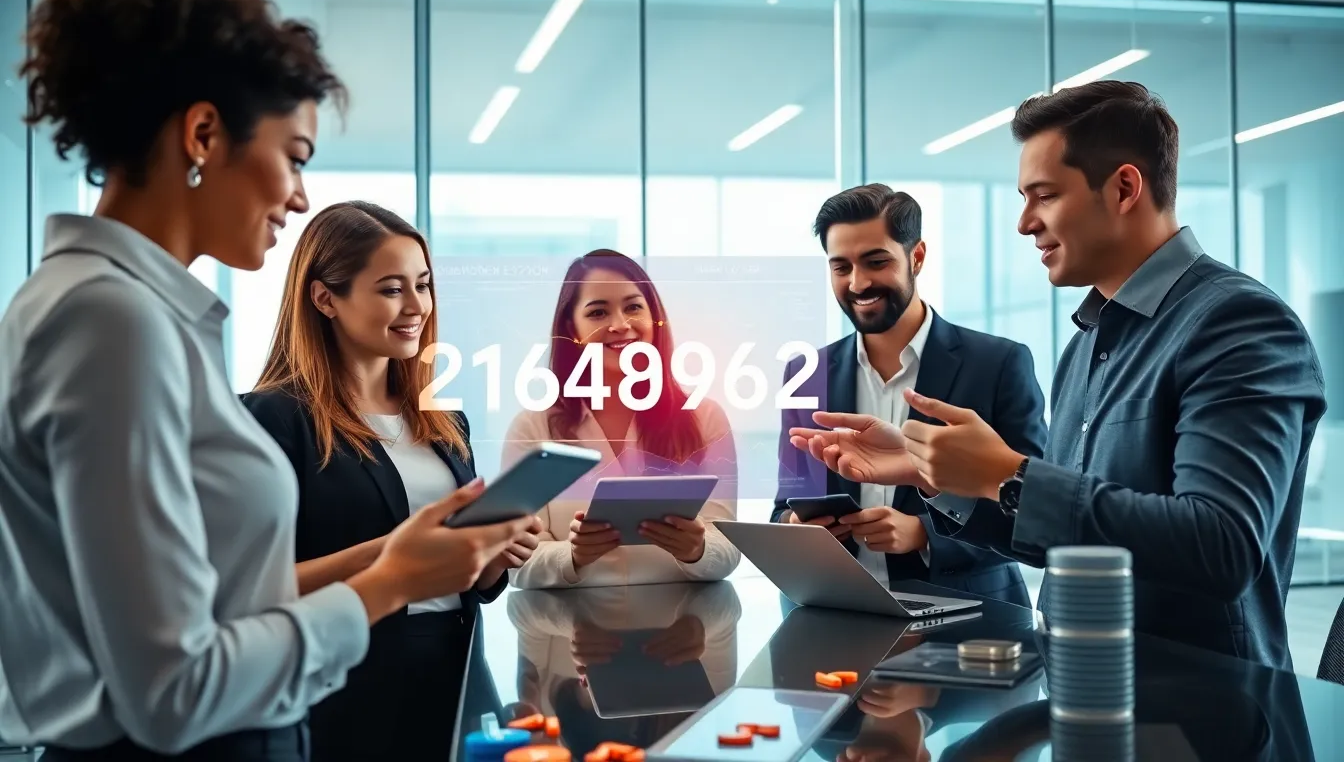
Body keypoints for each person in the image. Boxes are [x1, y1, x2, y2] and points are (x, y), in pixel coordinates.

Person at [0, 0, 530, 760]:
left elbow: (211, 600)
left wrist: (402, 557)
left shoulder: (119, 312)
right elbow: (174, 689)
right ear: (203, 135)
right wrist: (388, 583)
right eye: (296, 156)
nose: (301, 196)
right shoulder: (111, 322)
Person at [790, 80, 1326, 671]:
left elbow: (1220, 545)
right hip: (1081, 683)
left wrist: (1007, 473)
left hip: (1200, 700)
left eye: (1044, 196)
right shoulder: (1086, 344)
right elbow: (1067, 536)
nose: (1024, 223)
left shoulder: (1239, 323)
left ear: (1124, 188)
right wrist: (938, 472)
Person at [240, 201, 540, 759]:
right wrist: (396, 554)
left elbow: (473, 586)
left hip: (457, 679)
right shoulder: (273, 418)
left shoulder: (445, 423)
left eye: (423, 285)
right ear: (325, 298)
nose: (417, 306)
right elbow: (251, 589)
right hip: (346, 695)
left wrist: (494, 551)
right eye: (391, 289)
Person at [773, 185, 1045, 609]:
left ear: (916, 257)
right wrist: (796, 527)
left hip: (971, 620)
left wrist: (925, 534)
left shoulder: (998, 364)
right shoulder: (805, 375)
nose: (858, 283)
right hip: (837, 616)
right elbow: (783, 508)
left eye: (876, 262)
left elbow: (1032, 513)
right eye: (841, 267)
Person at [504, 250, 741, 588]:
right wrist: (573, 555)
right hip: (570, 620)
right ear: (572, 328)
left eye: (633, 307)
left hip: (683, 618)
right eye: (598, 312)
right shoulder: (532, 428)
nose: (620, 325)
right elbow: (516, 565)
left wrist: (698, 549)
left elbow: (728, 548)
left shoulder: (705, 418)